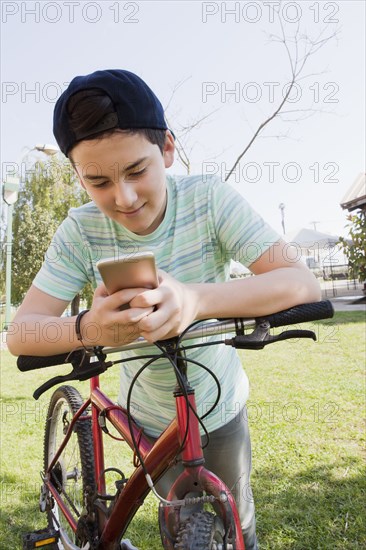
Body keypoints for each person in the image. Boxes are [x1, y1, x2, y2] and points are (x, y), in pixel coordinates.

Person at [7, 69, 321, 549]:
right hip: (147, 411)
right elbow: (21, 334)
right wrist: (89, 328)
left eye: (136, 171)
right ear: (76, 174)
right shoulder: (79, 230)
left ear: (168, 149)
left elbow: (300, 282)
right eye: (98, 181)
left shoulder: (209, 199)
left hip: (220, 408)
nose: (124, 198)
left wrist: (196, 301)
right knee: (177, 519)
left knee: (241, 523)